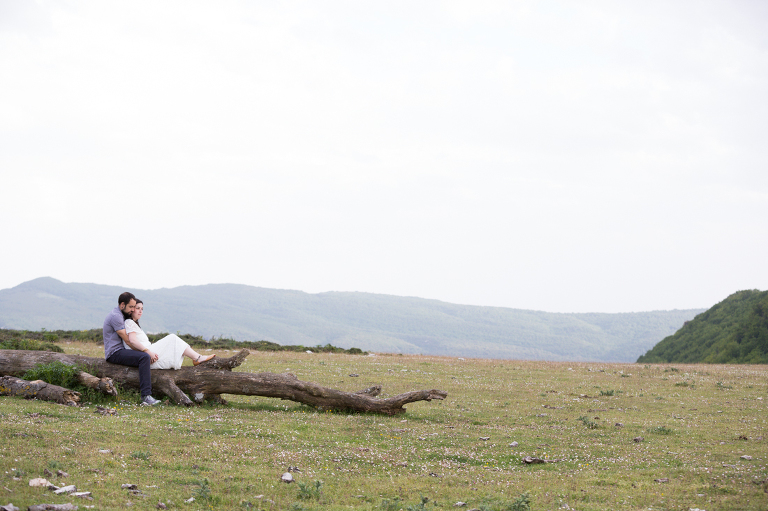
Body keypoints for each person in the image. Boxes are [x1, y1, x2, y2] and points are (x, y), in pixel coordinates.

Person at [103, 292, 160, 406]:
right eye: (131, 307)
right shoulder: (116, 316)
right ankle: (146, 396)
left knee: (144, 355)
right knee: (144, 357)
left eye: (134, 307)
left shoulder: (121, 314)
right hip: (114, 352)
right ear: (122, 305)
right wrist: (146, 351)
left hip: (121, 350)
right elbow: (128, 340)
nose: (132, 310)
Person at [123, 299, 215, 369]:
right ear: (131, 310)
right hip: (147, 353)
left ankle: (197, 357)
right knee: (172, 338)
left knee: (173, 340)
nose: (140, 311)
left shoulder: (134, 324)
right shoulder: (129, 322)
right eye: (137, 308)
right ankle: (197, 357)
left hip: (148, 351)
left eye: (142, 309)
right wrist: (148, 352)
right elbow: (133, 341)